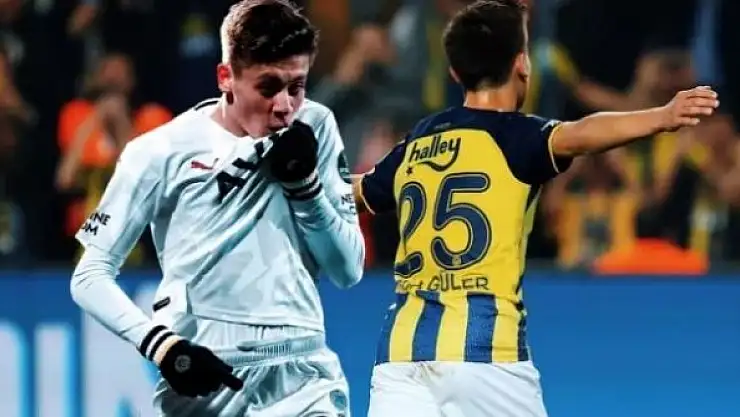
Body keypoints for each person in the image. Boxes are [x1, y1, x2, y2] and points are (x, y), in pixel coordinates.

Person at [352, 1, 718, 416]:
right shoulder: (516, 137)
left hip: (399, 357)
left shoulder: (420, 140)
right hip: (486, 353)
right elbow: (582, 133)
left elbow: (357, 190)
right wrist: (662, 116)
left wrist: (298, 182)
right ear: (522, 65)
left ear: (454, 72)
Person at [69, 1, 364, 416]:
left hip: (304, 373)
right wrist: (162, 347)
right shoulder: (159, 151)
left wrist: (307, 189)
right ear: (225, 77)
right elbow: (89, 276)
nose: (284, 105)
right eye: (268, 87)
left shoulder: (316, 125)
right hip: (206, 376)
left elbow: (348, 269)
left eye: (296, 87)